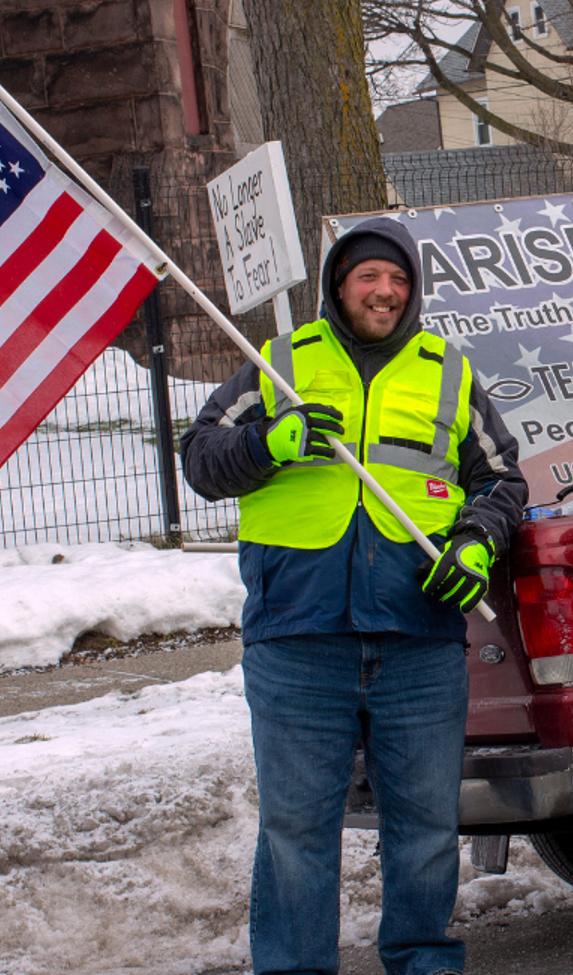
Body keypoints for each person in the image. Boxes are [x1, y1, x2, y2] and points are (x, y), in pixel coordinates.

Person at [181, 217, 527, 975]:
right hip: (297, 637)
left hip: (418, 635)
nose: (386, 291)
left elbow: (501, 480)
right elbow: (201, 458)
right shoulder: (275, 365)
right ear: (340, 284)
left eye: (399, 280)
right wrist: (265, 444)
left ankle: (423, 963)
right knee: (297, 830)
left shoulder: (448, 374)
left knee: (427, 828)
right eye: (370, 276)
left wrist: (474, 541)